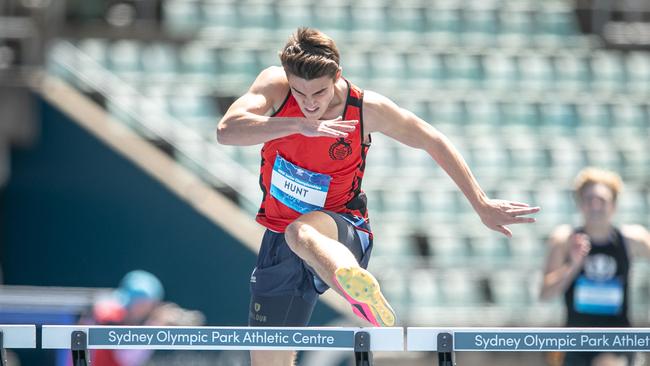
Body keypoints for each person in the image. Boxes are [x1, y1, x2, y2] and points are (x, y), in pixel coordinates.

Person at [217, 27, 540, 366]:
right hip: (278, 237)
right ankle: (346, 285)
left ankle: (357, 289)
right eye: (300, 93)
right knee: (267, 360)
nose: (310, 103)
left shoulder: (366, 108)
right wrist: (296, 124)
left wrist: (481, 204)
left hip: (341, 228)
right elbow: (227, 131)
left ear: (337, 76)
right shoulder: (275, 87)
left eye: (320, 93)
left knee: (303, 232)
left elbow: (432, 140)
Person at [541, 167, 650, 366]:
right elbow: (545, 294)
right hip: (576, 341)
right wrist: (573, 265)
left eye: (602, 200)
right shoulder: (564, 240)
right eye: (588, 200)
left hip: (618, 341)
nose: (595, 206)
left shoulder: (633, 240)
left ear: (614, 205)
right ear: (579, 204)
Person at [74, 270, 205, 366]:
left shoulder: (119, 315)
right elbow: (127, 358)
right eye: (145, 303)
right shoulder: (110, 316)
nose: (149, 308)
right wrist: (156, 325)